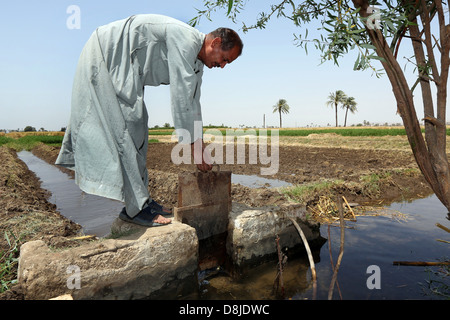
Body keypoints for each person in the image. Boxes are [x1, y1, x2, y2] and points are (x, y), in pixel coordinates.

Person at [55, 14, 243, 227]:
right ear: (215, 43)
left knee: (139, 128)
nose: (223, 66)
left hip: (128, 68)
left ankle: (140, 201)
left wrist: (200, 143)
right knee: (128, 125)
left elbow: (193, 103)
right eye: (225, 59)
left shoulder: (197, 64)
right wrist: (192, 146)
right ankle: (135, 209)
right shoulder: (186, 41)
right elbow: (181, 97)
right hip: (109, 53)